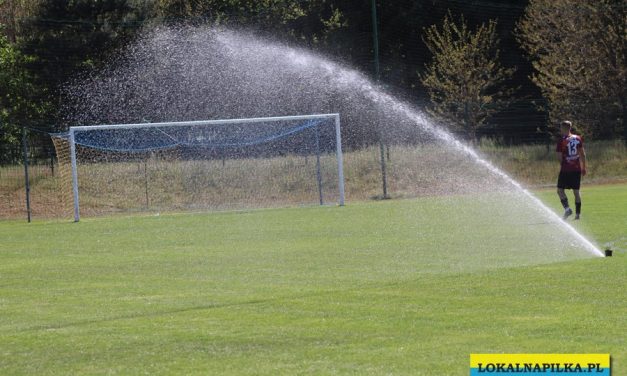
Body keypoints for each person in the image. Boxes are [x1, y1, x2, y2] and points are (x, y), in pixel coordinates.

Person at [556, 120, 587, 220]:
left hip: (566, 170)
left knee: (560, 190)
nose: (560, 129)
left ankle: (567, 208)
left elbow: (559, 157)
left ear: (564, 128)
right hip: (576, 169)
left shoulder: (561, 141)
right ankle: (578, 214)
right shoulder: (578, 138)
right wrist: (584, 167)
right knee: (576, 192)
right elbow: (582, 154)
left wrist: (563, 164)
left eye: (561, 127)